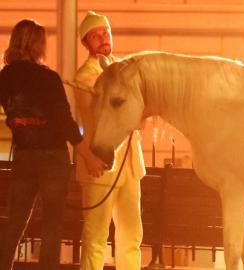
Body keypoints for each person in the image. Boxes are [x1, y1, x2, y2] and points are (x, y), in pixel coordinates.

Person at [0, 19, 106, 270]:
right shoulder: (48, 78)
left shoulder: (4, 78)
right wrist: (88, 157)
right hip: (53, 159)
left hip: (24, 157)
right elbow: (66, 124)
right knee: (52, 225)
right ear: (37, 44)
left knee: (14, 222)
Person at [73, 11, 146, 270]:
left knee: (131, 237)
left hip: (129, 166)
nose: (103, 38)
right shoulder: (85, 78)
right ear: (86, 44)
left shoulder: (122, 69)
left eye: (105, 32)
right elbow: (101, 111)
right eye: (95, 36)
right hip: (100, 166)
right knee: (95, 239)